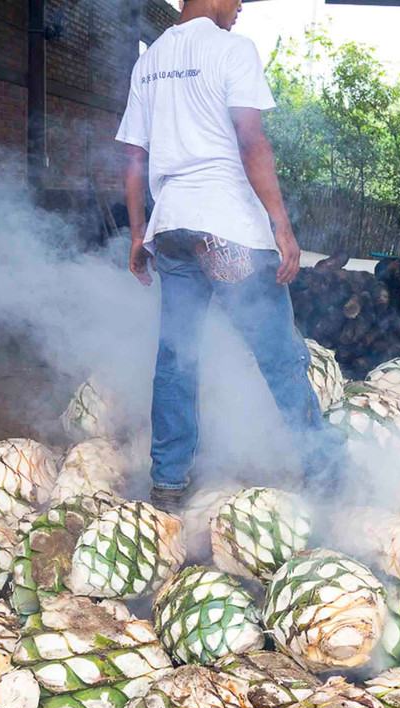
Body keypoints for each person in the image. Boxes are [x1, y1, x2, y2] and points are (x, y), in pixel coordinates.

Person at [116, 0, 337, 510]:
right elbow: (250, 138)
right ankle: (324, 471)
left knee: (176, 358)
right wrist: (282, 226)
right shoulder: (232, 50)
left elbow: (134, 156)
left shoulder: (149, 62)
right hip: (229, 231)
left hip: (172, 230)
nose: (240, 6)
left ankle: (168, 483)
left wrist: (137, 232)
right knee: (280, 355)